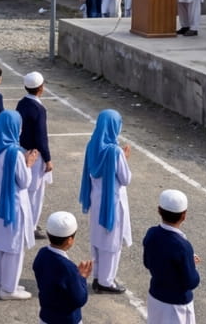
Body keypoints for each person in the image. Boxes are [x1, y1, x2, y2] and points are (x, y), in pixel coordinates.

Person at [0, 111, 39, 300]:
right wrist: (29, 163)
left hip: (0, 200)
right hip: (14, 203)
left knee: (2, 245)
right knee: (14, 247)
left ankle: (2, 283)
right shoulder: (14, 152)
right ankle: (9, 289)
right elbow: (24, 181)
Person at [79, 109, 131, 294]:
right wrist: (125, 159)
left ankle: (98, 276)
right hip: (112, 201)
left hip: (96, 198)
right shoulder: (115, 152)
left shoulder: (92, 144)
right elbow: (125, 179)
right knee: (111, 242)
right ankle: (106, 281)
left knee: (98, 238)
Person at [143, 190, 201, 324]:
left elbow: (147, 263)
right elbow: (191, 281)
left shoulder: (151, 233)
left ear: (159, 210)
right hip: (176, 304)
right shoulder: (183, 246)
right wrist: (192, 265)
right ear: (184, 215)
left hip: (156, 297)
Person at [32, 211, 92, 324]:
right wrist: (81, 278)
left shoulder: (42, 253)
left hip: (46, 317)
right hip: (67, 320)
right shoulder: (68, 269)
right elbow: (79, 299)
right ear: (69, 240)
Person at [17, 72, 52, 236]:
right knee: (36, 193)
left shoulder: (21, 103)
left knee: (27, 188)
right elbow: (41, 136)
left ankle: (26, 222)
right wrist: (48, 159)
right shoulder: (39, 109)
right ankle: (30, 225)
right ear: (40, 88)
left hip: (23, 149)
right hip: (35, 154)